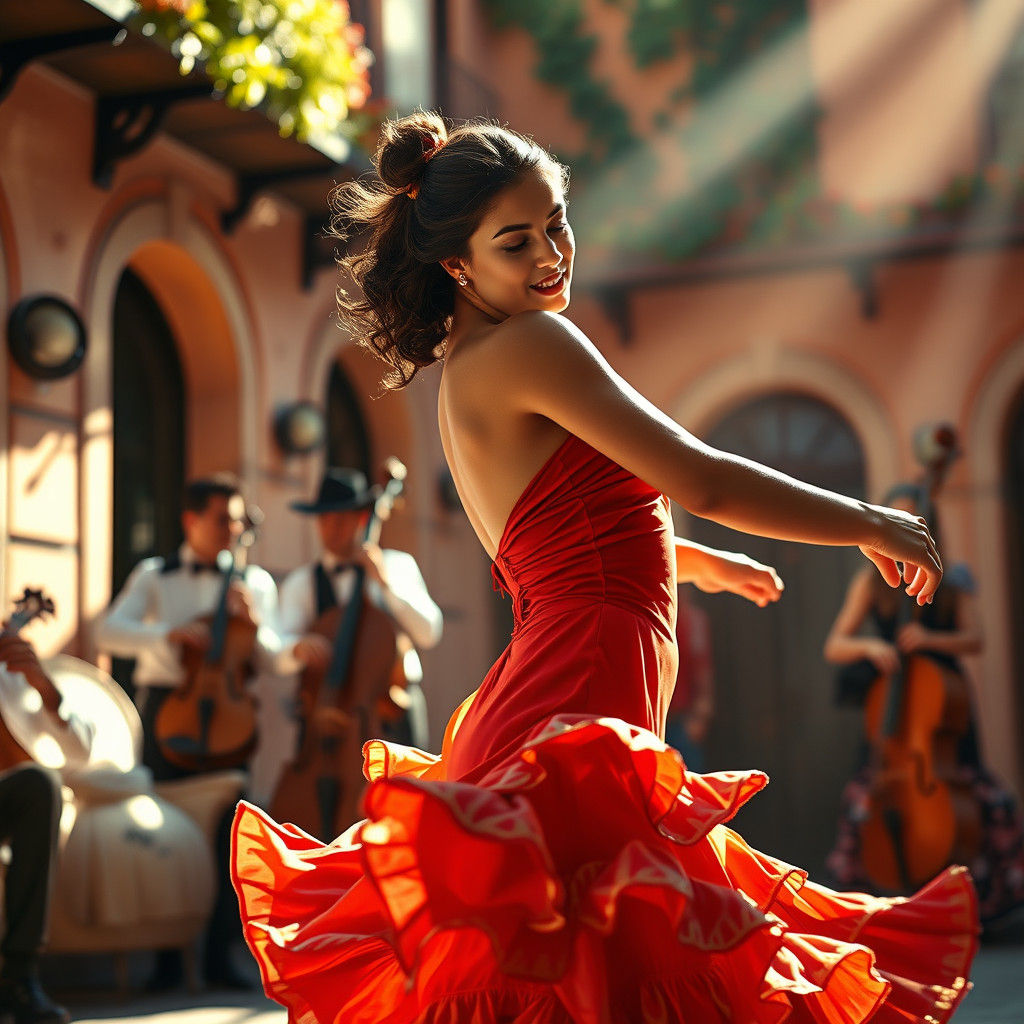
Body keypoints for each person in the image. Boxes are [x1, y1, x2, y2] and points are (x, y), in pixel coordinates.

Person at [230, 114, 977, 1023]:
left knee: (583, 967)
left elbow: (544, 536)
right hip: (577, 700)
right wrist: (868, 519)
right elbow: (698, 475)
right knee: (609, 965)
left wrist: (687, 564)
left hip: (566, 679)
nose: (552, 254)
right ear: (456, 266)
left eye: (558, 222)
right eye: (518, 241)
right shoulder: (533, 344)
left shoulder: (471, 365)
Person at [95, 474, 285, 991]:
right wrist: (166, 635)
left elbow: (274, 662)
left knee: (232, 836)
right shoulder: (156, 576)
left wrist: (256, 626)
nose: (232, 530)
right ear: (191, 521)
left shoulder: (255, 583)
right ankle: (166, 962)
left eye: (238, 521)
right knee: (163, 834)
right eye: (224, 519)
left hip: (230, 720)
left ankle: (223, 957)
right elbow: (107, 630)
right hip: (168, 716)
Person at [824, 482, 1024, 927]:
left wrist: (931, 638)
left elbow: (977, 638)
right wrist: (870, 649)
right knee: (865, 801)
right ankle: (880, 908)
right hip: (895, 709)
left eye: (911, 520)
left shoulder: (953, 579)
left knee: (985, 800)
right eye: (893, 518)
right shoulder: (871, 581)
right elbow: (835, 644)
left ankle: (976, 906)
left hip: (941, 705)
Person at [277, 467, 443, 751]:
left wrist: (386, 584)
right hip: (328, 710)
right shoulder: (301, 583)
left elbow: (429, 632)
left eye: (340, 518)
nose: (331, 528)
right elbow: (279, 648)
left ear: (362, 518)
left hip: (390, 711)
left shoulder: (397, 566)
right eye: (324, 519)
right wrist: (297, 647)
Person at [0, 635, 70, 1024]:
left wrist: (47, 691)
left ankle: (19, 977)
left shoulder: (11, 678)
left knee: (39, 784)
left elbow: (79, 753)